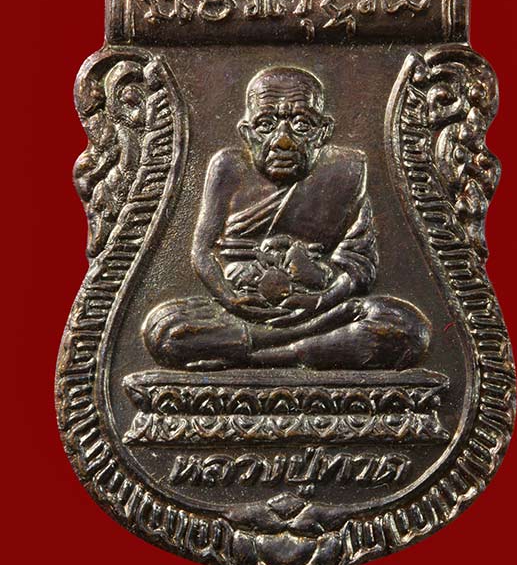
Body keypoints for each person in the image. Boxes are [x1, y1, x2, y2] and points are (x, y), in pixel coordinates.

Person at [144, 66, 430, 370]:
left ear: (323, 131)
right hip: (241, 311)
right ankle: (288, 347)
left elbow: (360, 265)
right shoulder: (228, 168)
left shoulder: (346, 172)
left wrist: (320, 296)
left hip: (323, 310)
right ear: (247, 132)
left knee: (405, 329)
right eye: (266, 125)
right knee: (166, 331)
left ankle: (258, 356)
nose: (282, 140)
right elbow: (202, 252)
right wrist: (231, 298)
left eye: (301, 125)